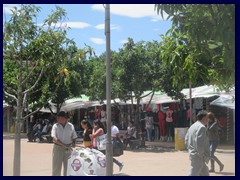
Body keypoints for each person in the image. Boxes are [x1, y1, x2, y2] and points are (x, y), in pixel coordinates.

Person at [51, 111, 78, 176]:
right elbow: (54, 138)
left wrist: (74, 143)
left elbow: (74, 137)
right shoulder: (55, 126)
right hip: (58, 148)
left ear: (64, 118)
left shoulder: (70, 126)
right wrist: (64, 145)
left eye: (59, 118)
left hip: (68, 149)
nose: (58, 119)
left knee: (68, 167)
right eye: (58, 118)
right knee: (56, 168)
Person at [185, 110, 210, 176]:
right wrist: (201, 155)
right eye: (207, 118)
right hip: (198, 156)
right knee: (193, 174)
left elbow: (186, 139)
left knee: (205, 174)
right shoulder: (202, 127)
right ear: (204, 118)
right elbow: (199, 144)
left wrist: (190, 149)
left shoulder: (193, 126)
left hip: (195, 154)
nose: (208, 120)